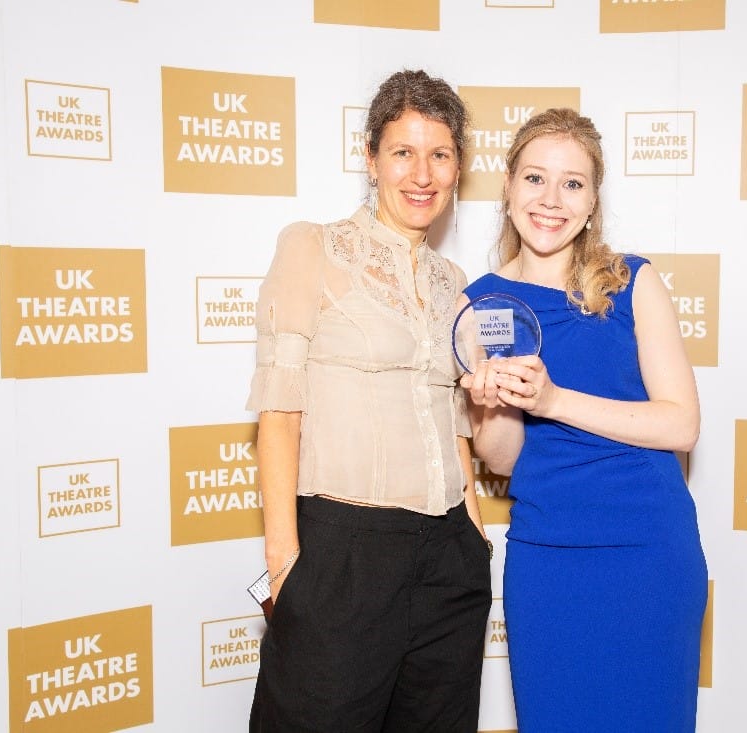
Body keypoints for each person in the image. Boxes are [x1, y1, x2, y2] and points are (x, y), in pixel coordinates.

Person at [246, 69, 492, 733]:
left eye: (439, 154)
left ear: (458, 166)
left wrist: (473, 536)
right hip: (341, 554)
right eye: (403, 152)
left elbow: (456, 424)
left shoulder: (455, 283)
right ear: (370, 158)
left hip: (448, 556)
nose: (422, 173)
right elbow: (279, 410)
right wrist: (286, 566)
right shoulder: (314, 248)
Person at [460, 108, 707, 731]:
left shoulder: (632, 282)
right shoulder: (482, 304)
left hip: (648, 551)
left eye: (572, 183)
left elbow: (681, 426)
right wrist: (495, 403)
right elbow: (504, 458)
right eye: (535, 178)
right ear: (509, 188)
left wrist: (554, 400)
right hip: (549, 558)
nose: (551, 200)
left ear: (593, 199)